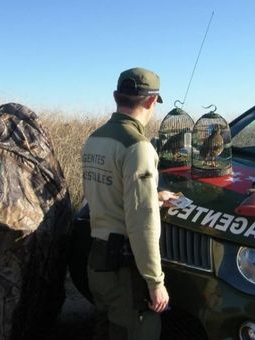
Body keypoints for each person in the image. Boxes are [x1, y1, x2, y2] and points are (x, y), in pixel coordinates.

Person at [82, 67, 178, 339]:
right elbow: (142, 222)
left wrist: (153, 197)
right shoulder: (138, 147)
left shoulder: (95, 139)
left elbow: (105, 193)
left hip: (97, 262)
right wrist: (155, 282)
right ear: (150, 102)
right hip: (125, 270)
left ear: (117, 96)